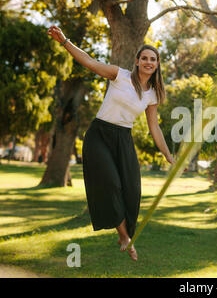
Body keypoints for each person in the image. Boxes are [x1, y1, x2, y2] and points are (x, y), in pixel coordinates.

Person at [47, 25, 175, 261]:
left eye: (153, 59)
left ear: (157, 65)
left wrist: (168, 154)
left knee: (132, 189)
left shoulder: (152, 94)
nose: (148, 62)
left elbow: (154, 127)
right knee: (112, 184)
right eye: (144, 58)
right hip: (99, 135)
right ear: (137, 61)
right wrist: (64, 40)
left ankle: (124, 233)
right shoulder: (120, 75)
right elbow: (89, 61)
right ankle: (124, 236)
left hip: (123, 138)